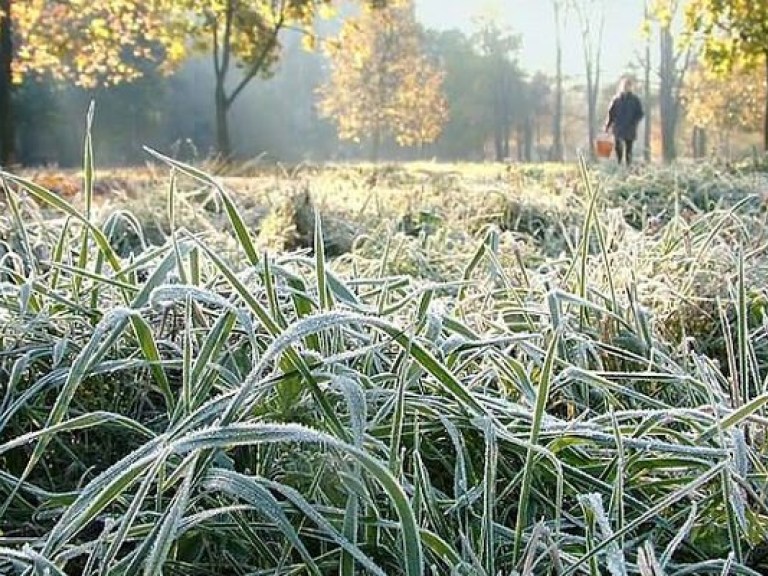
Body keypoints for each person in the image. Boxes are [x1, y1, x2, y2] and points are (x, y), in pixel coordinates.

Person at [604, 77, 644, 166]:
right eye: (625, 86)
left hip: (630, 127)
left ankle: (628, 166)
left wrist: (634, 122)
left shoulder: (635, 100)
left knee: (629, 148)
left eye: (628, 86)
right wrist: (607, 126)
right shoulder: (617, 100)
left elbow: (640, 113)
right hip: (618, 127)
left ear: (631, 87)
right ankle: (619, 163)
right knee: (618, 147)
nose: (626, 88)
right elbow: (611, 114)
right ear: (621, 87)